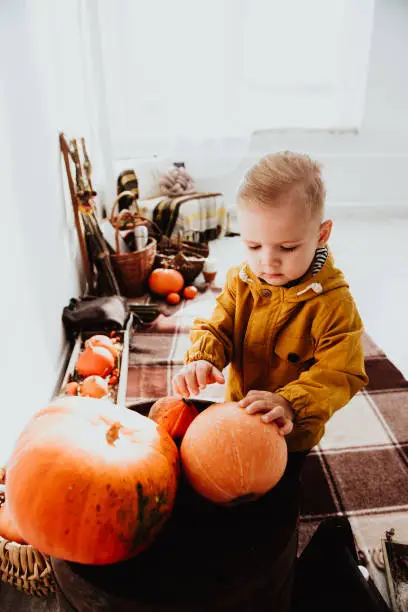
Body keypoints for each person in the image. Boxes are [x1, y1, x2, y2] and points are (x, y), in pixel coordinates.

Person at [173, 151, 368, 454]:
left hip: (291, 435)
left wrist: (291, 403)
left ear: (321, 234)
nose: (268, 261)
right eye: (253, 245)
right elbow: (217, 327)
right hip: (239, 414)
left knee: (280, 494)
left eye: (287, 247)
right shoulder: (241, 281)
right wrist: (203, 357)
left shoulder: (334, 304)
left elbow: (341, 372)